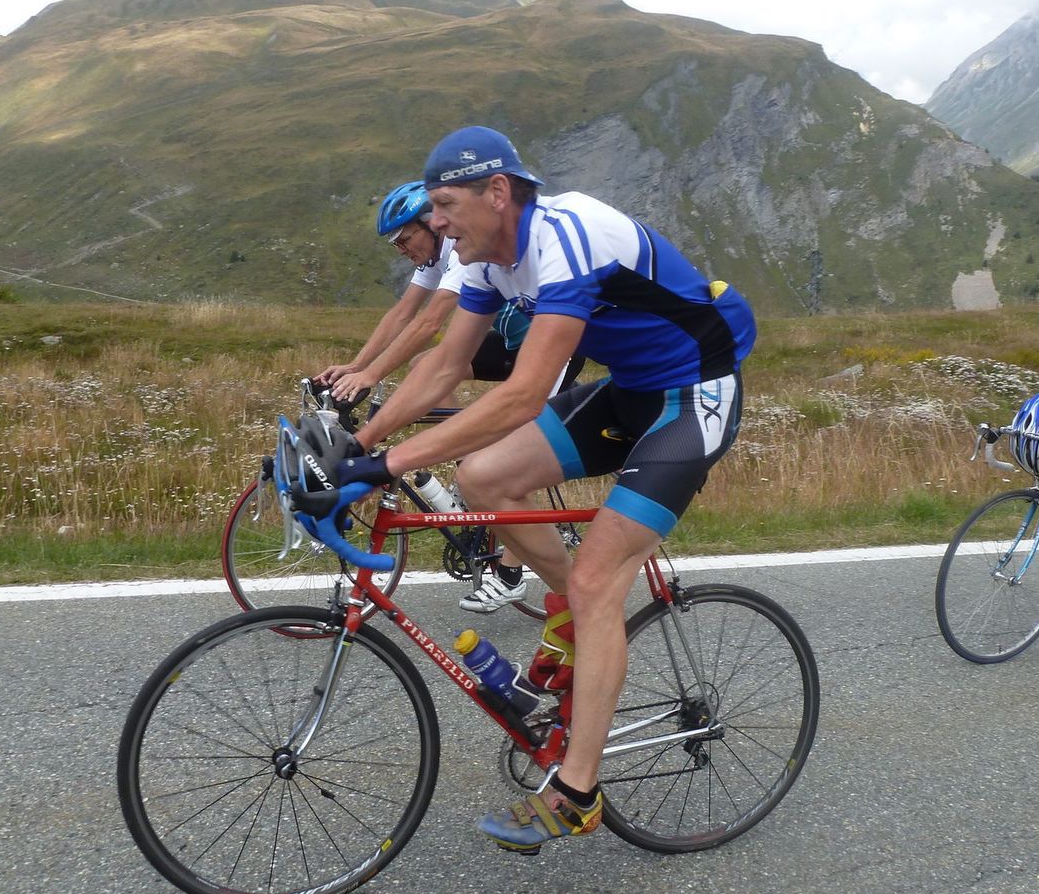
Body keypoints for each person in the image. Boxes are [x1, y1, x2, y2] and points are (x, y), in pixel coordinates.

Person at [334, 125, 756, 851]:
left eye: (445, 205)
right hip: (632, 390)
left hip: (695, 395)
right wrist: (358, 447)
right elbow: (444, 368)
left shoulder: (566, 236)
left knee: (598, 580)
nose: (436, 224)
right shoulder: (485, 261)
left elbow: (525, 394)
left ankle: (577, 792)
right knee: (482, 477)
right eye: (432, 210)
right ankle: (572, 615)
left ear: (497, 192)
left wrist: (386, 467)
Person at [315, 180, 584, 612]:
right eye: (395, 244)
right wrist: (356, 366)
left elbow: (428, 324)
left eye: (405, 239)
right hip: (512, 341)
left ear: (431, 225)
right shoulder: (433, 256)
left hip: (552, 347)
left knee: (511, 456)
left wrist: (371, 375)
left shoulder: (461, 255)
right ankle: (471, 460)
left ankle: (511, 574)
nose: (401, 250)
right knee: (427, 366)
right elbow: (402, 313)